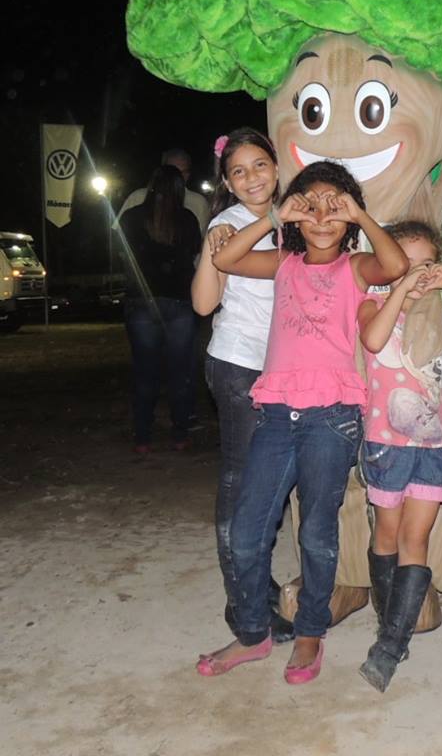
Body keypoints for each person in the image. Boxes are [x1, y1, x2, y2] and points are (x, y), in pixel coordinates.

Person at [199, 160, 407, 685]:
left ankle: (311, 631)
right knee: (247, 533)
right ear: (295, 214)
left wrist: (359, 211)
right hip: (275, 413)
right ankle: (253, 634)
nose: (320, 217)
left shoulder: (355, 269)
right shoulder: (284, 262)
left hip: (332, 419)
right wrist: (273, 215)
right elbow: (224, 258)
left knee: (317, 532)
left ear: (350, 218)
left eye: (333, 209)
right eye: (309, 206)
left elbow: (397, 263)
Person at [357, 220, 442, 692]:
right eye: (405, 264)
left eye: (425, 266)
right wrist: (398, 287)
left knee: (415, 540)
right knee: (387, 535)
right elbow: (373, 342)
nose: (416, 275)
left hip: (433, 448)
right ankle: (388, 622)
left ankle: (390, 646)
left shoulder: (441, 320)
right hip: (385, 446)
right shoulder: (373, 306)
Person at [192, 129, 294, 667]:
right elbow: (204, 304)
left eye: (260, 165)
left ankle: (260, 586)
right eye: (239, 171)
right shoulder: (227, 225)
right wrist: (263, 225)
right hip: (239, 368)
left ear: (276, 166)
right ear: (226, 182)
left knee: (269, 492)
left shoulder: (299, 218)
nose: (252, 178)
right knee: (240, 489)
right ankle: (243, 605)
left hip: (287, 372)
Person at [119, 165, 201, 453]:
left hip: (141, 300)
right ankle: (179, 433)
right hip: (178, 301)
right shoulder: (188, 219)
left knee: (145, 371)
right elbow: (193, 256)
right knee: (180, 372)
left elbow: (122, 255)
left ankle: (143, 435)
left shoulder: (131, 218)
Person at [116, 148, 210, 235]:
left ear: (188, 175)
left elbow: (203, 240)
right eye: (171, 171)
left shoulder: (199, 203)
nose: (176, 177)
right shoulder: (138, 197)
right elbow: (118, 236)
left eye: (182, 173)